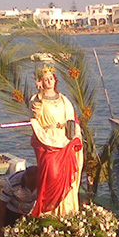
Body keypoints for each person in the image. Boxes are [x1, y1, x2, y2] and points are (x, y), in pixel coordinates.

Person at [28, 64, 83, 216]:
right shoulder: (37, 100)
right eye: (45, 79)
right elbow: (35, 112)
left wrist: (76, 137)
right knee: (51, 175)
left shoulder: (64, 100)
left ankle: (66, 212)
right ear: (41, 82)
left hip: (65, 141)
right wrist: (39, 93)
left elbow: (73, 121)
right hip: (49, 142)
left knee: (68, 178)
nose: (49, 81)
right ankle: (49, 212)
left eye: (51, 78)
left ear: (55, 80)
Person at [0, 166, 39, 237]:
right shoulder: (12, 183)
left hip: (33, 210)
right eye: (31, 185)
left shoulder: (44, 181)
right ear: (26, 178)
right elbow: (2, 205)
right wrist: (1, 228)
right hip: (13, 210)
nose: (32, 188)